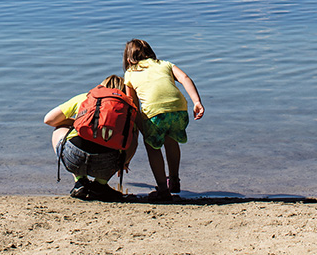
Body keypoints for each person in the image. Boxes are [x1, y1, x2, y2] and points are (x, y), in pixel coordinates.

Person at [122, 38, 204, 202]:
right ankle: (174, 180)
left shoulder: (130, 73)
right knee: (171, 141)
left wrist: (137, 128)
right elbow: (185, 78)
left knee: (152, 147)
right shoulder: (165, 64)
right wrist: (197, 102)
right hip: (179, 109)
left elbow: (132, 105)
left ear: (129, 59)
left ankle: (163, 189)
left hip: (155, 113)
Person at [43, 75, 140, 201]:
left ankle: (80, 181)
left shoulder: (87, 97)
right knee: (131, 135)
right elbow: (133, 142)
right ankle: (100, 184)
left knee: (58, 129)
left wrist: (76, 121)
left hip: (74, 158)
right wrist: (125, 162)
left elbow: (49, 120)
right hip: (107, 164)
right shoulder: (127, 108)